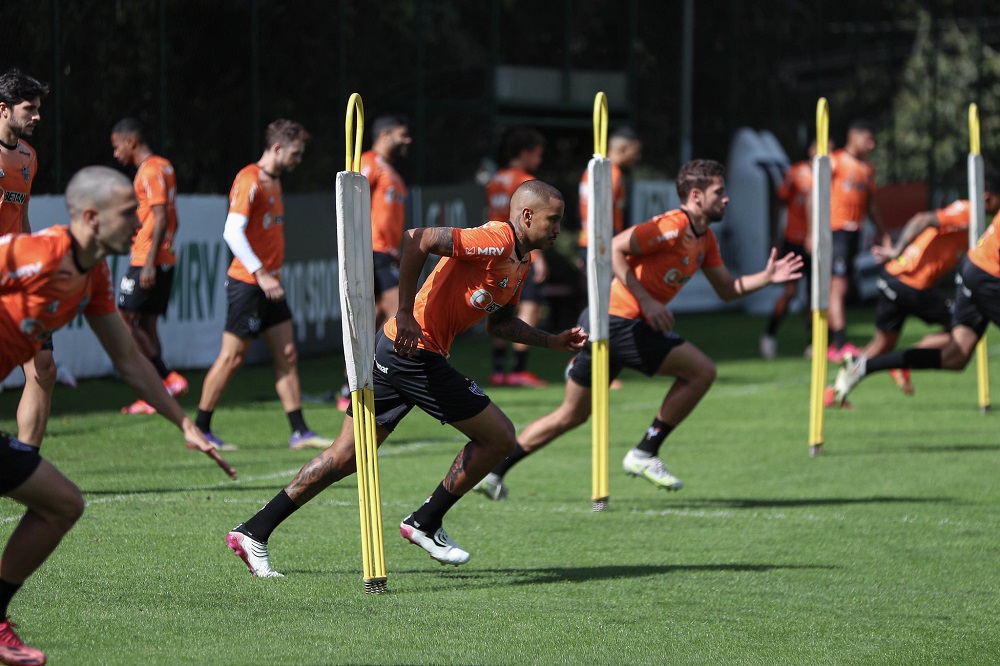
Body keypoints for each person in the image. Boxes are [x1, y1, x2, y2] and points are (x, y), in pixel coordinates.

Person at [225, 180, 587, 576]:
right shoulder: (497, 239)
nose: (558, 229)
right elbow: (417, 238)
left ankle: (253, 532)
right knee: (499, 436)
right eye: (553, 220)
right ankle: (425, 522)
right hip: (414, 353)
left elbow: (500, 326)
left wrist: (551, 341)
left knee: (345, 457)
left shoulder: (521, 262)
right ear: (527, 215)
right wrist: (404, 311)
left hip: (398, 351)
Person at [0, 166, 235, 666]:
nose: (141, 221)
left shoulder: (94, 276)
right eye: (130, 212)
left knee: (62, 504)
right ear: (91, 216)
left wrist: (185, 423)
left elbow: (129, 360)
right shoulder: (34, 252)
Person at [474, 160, 803, 501]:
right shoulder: (672, 225)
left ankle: (495, 471)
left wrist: (766, 278)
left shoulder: (704, 239)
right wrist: (646, 302)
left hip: (609, 321)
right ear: (695, 195)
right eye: (719, 192)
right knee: (701, 371)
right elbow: (616, 246)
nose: (727, 199)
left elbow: (727, 289)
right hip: (619, 320)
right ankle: (645, 451)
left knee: (570, 415)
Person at [194, 120, 331, 451]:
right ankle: (199, 430)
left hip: (270, 285)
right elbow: (232, 231)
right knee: (232, 358)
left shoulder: (274, 182)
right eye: (295, 153)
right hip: (248, 284)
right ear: (277, 148)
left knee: (287, 353)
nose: (299, 160)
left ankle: (300, 431)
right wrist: (261, 272)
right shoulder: (249, 179)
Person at [827, 170, 1000, 402]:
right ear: (988, 197)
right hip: (916, 283)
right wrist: (897, 249)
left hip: (895, 278)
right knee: (950, 328)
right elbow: (922, 219)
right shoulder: (968, 212)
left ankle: (856, 371)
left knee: (953, 356)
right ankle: (912, 351)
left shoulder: (979, 217)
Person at [110, 117, 188, 415]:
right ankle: (155, 393)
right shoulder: (164, 165)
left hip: (147, 258)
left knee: (123, 318)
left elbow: (160, 216)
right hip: (161, 256)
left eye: (117, 147)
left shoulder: (151, 169)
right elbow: (172, 217)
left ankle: (165, 377)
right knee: (146, 323)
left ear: (131, 142)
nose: (116, 154)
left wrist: (150, 262)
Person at [0, 67, 59, 450]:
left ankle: (26, 463)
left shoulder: (28, 156)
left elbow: (22, 216)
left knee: (43, 368)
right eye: (29, 109)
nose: (37, 116)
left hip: (21, 281)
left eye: (38, 108)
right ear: (3, 109)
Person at [337, 114, 411, 410]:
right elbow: (352, 202)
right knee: (396, 312)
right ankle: (376, 375)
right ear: (385, 134)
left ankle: (354, 382)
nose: (408, 140)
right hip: (371, 250)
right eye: (402, 134)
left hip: (386, 252)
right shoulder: (368, 162)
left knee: (377, 315)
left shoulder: (392, 171)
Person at [484, 126, 550, 388]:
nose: (539, 160)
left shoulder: (495, 180)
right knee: (530, 303)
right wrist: (538, 256)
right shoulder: (525, 181)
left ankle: (499, 370)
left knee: (499, 305)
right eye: (537, 154)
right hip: (518, 249)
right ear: (525, 153)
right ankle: (519, 369)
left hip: (494, 246)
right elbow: (526, 222)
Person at [578, 127, 643, 389]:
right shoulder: (611, 175)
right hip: (601, 247)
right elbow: (602, 217)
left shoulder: (592, 170)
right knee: (603, 307)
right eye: (635, 153)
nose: (636, 159)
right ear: (623, 149)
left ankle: (594, 366)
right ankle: (590, 366)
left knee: (600, 305)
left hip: (592, 244)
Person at [825, 120, 890, 362]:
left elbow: (871, 204)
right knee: (838, 287)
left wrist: (882, 232)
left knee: (843, 287)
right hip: (836, 230)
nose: (871, 145)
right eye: (868, 139)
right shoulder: (836, 160)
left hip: (855, 233)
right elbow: (815, 189)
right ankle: (840, 343)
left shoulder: (867, 168)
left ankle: (833, 343)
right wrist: (813, 230)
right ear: (854, 137)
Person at [760, 140, 824, 359]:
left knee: (814, 295)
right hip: (794, 241)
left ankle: (813, 342)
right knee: (790, 291)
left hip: (817, 243)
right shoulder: (796, 173)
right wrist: (775, 238)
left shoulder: (829, 175)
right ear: (811, 150)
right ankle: (769, 335)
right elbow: (780, 205)